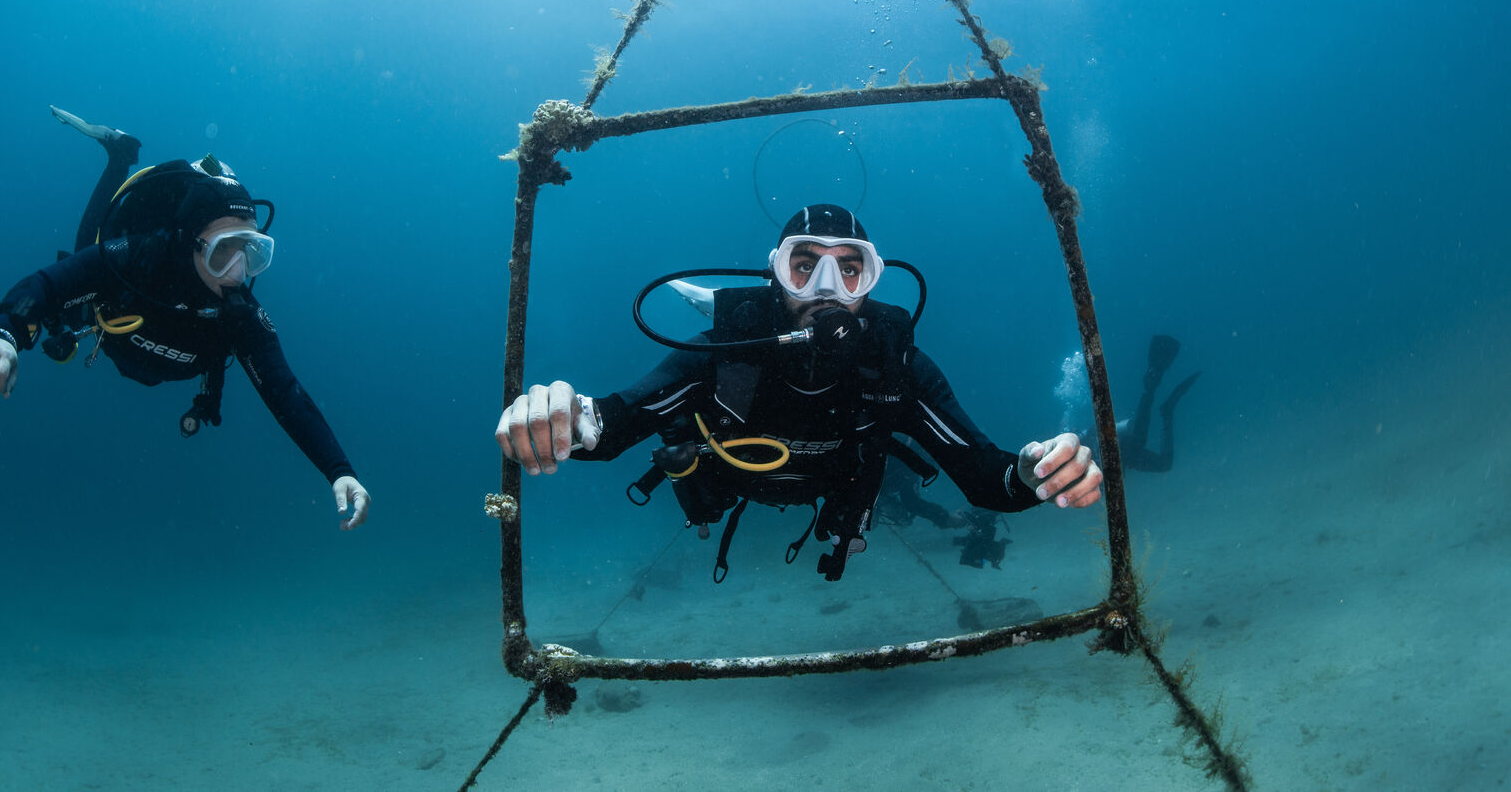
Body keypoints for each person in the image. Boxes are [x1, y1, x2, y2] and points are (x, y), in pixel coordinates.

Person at [496, 203, 1102, 581]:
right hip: (732, 481)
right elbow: (609, 426)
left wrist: (1032, 473)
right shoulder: (722, 355)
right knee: (685, 458)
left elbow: (985, 478)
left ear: (870, 280)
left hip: (838, 483)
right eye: (804, 265)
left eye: (850, 268)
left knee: (877, 475)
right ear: (775, 275)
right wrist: (561, 415)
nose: (827, 288)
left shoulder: (896, 366)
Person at [0, 107, 370, 530]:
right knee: (80, 270)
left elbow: (285, 390)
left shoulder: (238, 315)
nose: (236, 272)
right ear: (190, 243)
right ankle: (118, 156)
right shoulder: (137, 257)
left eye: (251, 253)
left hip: (148, 358)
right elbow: (47, 284)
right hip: (114, 320)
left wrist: (339, 469)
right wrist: (4, 334)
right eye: (223, 251)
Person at [1119, 334, 1200, 473]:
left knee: (1140, 442)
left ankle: (1153, 381)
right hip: (1112, 459)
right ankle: (1165, 408)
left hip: (1108, 452)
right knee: (1163, 464)